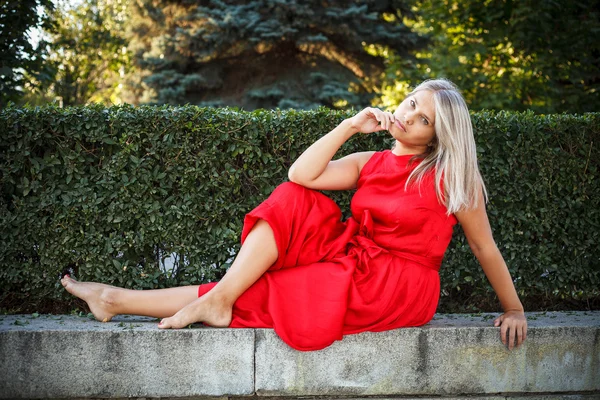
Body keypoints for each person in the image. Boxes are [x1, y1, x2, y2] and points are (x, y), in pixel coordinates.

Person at [61, 78, 528, 351]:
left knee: (268, 293)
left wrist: (514, 308)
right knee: (291, 198)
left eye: (423, 118)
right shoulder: (373, 162)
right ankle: (187, 299)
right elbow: (302, 174)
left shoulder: (452, 181)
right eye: (410, 102)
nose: (408, 115)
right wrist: (349, 126)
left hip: (396, 284)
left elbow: (483, 246)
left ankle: (119, 299)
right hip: (356, 257)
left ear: (436, 135)